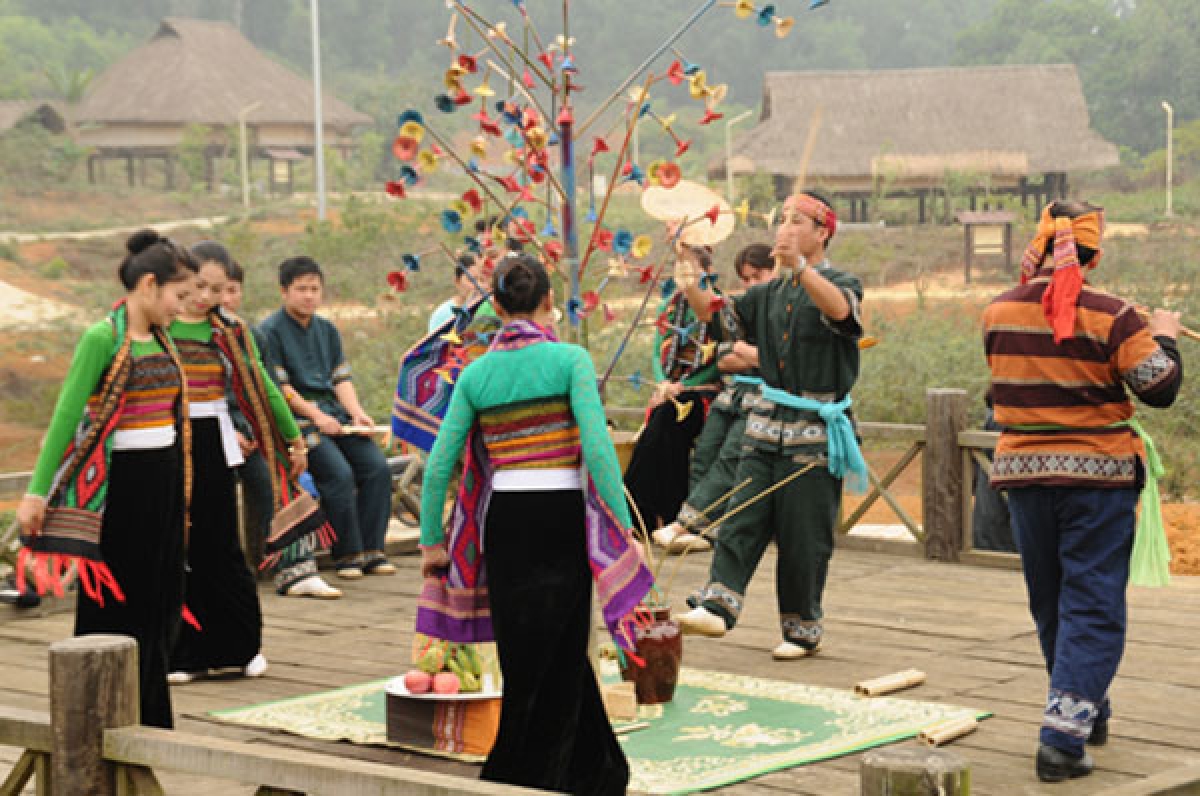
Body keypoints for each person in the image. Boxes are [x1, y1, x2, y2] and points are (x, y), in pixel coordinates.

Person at [418, 253, 653, 795]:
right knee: (557, 649)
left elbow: (440, 464)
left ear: (497, 308)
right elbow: (598, 448)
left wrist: (432, 540)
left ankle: (596, 769)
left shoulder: (476, 373)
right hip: (562, 518)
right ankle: (521, 776)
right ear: (549, 301)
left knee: (534, 651)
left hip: (507, 522)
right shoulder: (570, 360)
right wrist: (622, 530)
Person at [982, 200, 1183, 782]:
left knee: (1050, 598)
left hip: (1024, 475)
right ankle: (1062, 741)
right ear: (1093, 255)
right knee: (1092, 603)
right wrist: (1164, 336)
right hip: (1098, 479)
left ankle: (1084, 709)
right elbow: (1159, 388)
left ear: (1041, 245)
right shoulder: (1112, 314)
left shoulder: (997, 310)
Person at [674, 191, 867, 661]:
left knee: (804, 537)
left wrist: (801, 268)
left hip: (814, 430)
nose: (785, 227)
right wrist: (687, 267)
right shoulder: (768, 294)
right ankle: (718, 604)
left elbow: (841, 312)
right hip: (765, 424)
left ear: (822, 232)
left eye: (797, 220)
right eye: (782, 219)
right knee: (742, 513)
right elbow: (714, 314)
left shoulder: (841, 282)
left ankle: (801, 627)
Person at [15, 230, 197, 727]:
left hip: (163, 485)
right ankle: (98, 719)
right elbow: (65, 417)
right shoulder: (103, 338)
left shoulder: (162, 339)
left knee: (160, 603)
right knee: (115, 603)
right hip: (121, 492)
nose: (182, 307)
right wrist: (36, 492)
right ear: (150, 284)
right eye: (178, 295)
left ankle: (151, 720)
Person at [167, 242, 326, 684]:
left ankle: (241, 647)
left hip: (215, 442)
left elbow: (263, 386)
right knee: (178, 549)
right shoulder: (160, 326)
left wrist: (293, 438)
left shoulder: (233, 331)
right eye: (199, 286)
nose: (206, 297)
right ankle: (183, 653)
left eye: (218, 289)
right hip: (168, 440)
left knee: (221, 547)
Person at [258, 256, 395, 580]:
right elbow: (282, 389)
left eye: (314, 289)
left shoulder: (327, 330)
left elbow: (340, 379)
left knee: (376, 467)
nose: (309, 295)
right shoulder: (269, 332)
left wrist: (357, 413)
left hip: (336, 415)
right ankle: (347, 554)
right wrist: (317, 416)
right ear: (284, 291)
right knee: (338, 474)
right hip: (300, 422)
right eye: (301, 289)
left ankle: (373, 550)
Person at [222, 260, 341, 598]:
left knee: (279, 479)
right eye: (213, 290)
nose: (223, 299)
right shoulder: (185, 338)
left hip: (251, 432)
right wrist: (226, 433)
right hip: (203, 434)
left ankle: (295, 568)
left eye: (231, 290)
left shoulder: (249, 336)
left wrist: (292, 440)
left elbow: (269, 391)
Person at [654, 243, 776, 554]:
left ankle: (686, 524)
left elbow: (783, 361)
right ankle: (703, 529)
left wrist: (745, 351)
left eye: (757, 276)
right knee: (705, 454)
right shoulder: (743, 306)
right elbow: (722, 358)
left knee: (730, 459)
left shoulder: (783, 306)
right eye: (745, 279)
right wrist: (755, 355)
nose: (750, 284)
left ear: (774, 271)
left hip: (766, 398)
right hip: (734, 393)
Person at [623, 245, 723, 534]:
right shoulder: (667, 307)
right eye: (682, 270)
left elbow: (718, 361)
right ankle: (659, 515)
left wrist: (683, 386)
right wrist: (664, 383)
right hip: (671, 391)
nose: (686, 277)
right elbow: (658, 353)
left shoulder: (719, 306)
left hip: (705, 390)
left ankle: (642, 514)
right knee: (664, 428)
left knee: (665, 423)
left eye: (692, 270)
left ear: (708, 272)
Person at [428, 252, 494, 333]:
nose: (478, 285)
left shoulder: (490, 306)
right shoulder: (442, 315)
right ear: (457, 282)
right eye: (471, 280)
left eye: (482, 280)